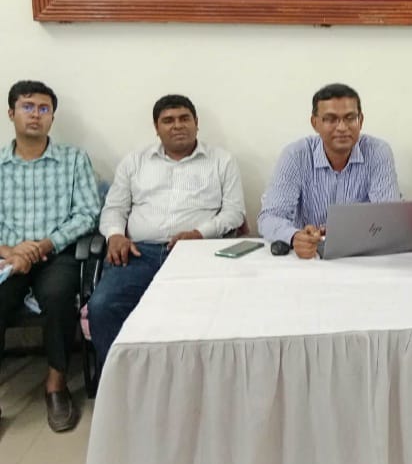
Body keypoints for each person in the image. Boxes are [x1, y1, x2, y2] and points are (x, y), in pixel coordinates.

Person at [87, 95, 245, 367]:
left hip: (197, 253)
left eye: (184, 118)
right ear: (156, 127)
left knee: (208, 312)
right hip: (139, 253)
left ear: (196, 123)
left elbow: (234, 212)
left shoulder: (222, 160)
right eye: (168, 121)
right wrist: (115, 235)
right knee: (102, 306)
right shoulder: (134, 162)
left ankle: (191, 379)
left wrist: (199, 233)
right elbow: (114, 208)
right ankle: (117, 384)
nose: (177, 125)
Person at [0, 80, 100, 431]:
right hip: (8, 257)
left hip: (57, 254)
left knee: (58, 297)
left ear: (52, 118)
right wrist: (11, 251)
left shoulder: (74, 159)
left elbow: (87, 214)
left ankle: (55, 385)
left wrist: (43, 245)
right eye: (27, 107)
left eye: (44, 109)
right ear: (11, 113)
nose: (35, 115)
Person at [258, 83, 400, 259]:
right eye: (331, 119)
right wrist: (295, 237)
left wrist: (342, 232)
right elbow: (269, 218)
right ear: (315, 123)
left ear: (361, 120)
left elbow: (390, 219)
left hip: (361, 257)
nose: (342, 127)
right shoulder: (296, 155)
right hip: (309, 258)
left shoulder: (377, 152)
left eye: (350, 118)